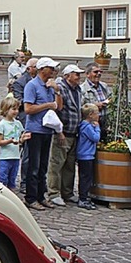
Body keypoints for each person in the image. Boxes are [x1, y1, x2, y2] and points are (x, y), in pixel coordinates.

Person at [23, 57, 63, 211]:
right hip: (35, 130)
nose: (53, 71)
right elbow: (28, 109)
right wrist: (47, 105)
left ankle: (41, 195)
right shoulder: (32, 86)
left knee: (43, 166)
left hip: (47, 130)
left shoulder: (50, 86)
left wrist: (57, 91)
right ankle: (31, 198)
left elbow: (59, 107)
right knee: (33, 166)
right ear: (42, 69)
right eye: (50, 68)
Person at [47, 64, 84, 207]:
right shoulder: (60, 87)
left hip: (74, 132)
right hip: (62, 132)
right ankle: (54, 192)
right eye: (76, 74)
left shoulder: (77, 89)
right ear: (67, 75)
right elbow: (56, 111)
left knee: (69, 165)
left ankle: (67, 192)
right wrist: (59, 131)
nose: (79, 77)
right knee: (57, 163)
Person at [12, 57, 38, 192]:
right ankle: (24, 182)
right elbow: (19, 101)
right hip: (26, 119)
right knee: (27, 152)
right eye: (36, 66)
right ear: (29, 68)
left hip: (39, 120)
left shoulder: (42, 82)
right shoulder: (20, 82)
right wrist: (35, 102)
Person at [0, 97, 30, 190]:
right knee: (3, 178)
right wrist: (10, 141)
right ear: (6, 110)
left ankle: (12, 192)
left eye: (17, 109)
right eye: (13, 109)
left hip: (15, 157)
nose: (16, 111)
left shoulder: (18, 123)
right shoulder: (2, 124)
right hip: (5, 157)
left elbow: (20, 139)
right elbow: (0, 142)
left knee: (12, 178)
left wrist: (23, 138)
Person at [76, 103, 101, 210]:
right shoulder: (88, 127)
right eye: (97, 113)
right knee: (85, 178)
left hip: (86, 155)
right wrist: (98, 128)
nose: (98, 115)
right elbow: (95, 138)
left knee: (86, 177)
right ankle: (83, 198)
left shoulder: (86, 125)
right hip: (86, 156)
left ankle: (85, 197)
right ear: (90, 115)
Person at [81, 62, 112, 141]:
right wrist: (94, 106)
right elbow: (81, 107)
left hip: (105, 123)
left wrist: (109, 101)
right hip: (92, 126)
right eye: (95, 72)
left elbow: (111, 97)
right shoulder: (82, 89)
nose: (98, 74)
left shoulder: (104, 86)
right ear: (87, 74)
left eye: (100, 72)